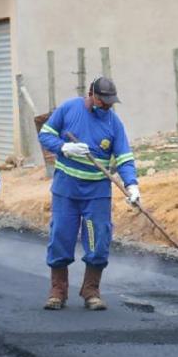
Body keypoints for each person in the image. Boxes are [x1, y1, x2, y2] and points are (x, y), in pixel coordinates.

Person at [38, 77, 139, 311]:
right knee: (61, 237)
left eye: (110, 102)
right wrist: (64, 147)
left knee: (97, 239)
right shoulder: (68, 109)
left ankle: (91, 290)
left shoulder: (114, 123)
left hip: (96, 193)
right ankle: (57, 291)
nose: (106, 106)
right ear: (91, 94)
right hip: (66, 190)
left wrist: (132, 185)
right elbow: (45, 135)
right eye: (103, 101)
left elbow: (124, 157)